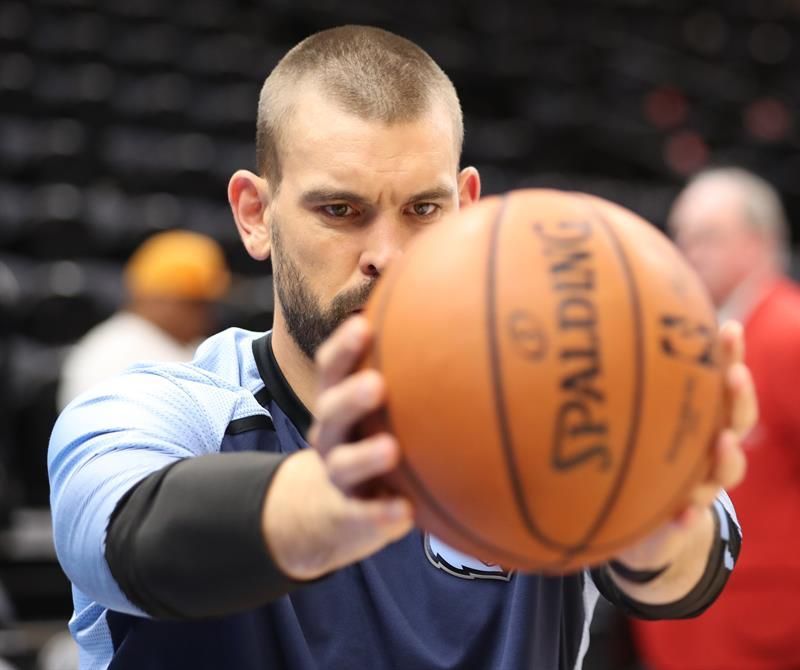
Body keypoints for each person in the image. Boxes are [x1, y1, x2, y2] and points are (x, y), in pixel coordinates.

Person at [49, 26, 754, 670]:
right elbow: (121, 535)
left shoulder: (548, 408)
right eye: (341, 210)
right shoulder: (162, 410)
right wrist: (340, 499)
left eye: (423, 209)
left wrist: (651, 512)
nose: (386, 254)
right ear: (255, 215)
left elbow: (687, 567)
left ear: (467, 207)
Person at [632, 168, 800, 670]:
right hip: (697, 621)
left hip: (765, 627)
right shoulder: (704, 331)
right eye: (680, 235)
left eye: (706, 236)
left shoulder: (788, 333)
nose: (687, 251)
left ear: (759, 240)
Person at [56, 230, 231, 410]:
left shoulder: (189, 345)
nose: (208, 315)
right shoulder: (112, 355)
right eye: (196, 304)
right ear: (160, 299)